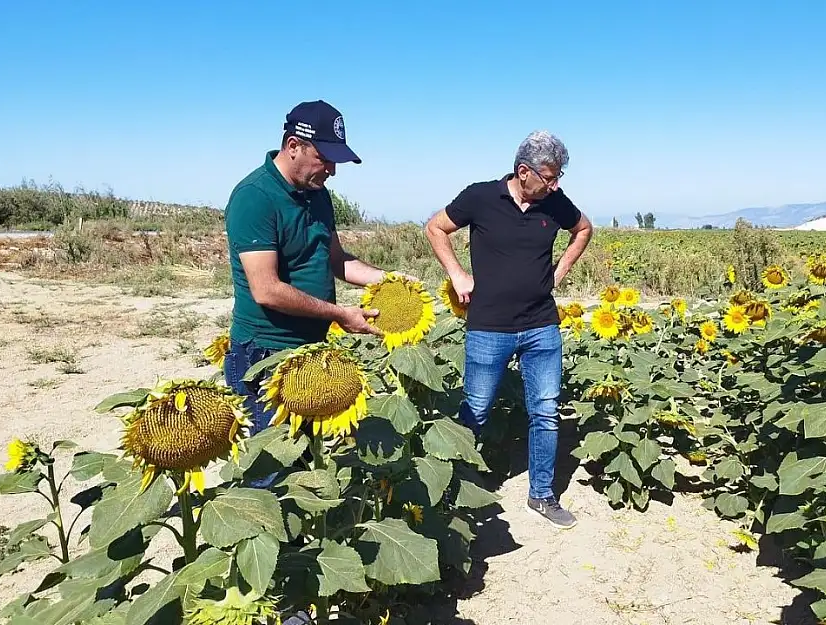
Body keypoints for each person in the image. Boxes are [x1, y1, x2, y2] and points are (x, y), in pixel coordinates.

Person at [424, 130, 594, 529]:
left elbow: (584, 229)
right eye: (549, 178)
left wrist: (561, 271)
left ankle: (543, 494)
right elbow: (435, 228)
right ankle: (456, 491)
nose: (554, 186)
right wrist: (457, 273)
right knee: (476, 410)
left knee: (546, 411)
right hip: (489, 327)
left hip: (541, 325)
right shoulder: (481, 197)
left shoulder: (555, 203)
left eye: (558, 179)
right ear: (523, 171)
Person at [222, 100, 400, 444]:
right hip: (265, 353)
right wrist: (340, 314)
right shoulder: (254, 197)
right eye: (325, 158)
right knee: (271, 465)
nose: (332, 169)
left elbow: (337, 260)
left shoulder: (317, 195)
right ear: (293, 147)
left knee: (308, 454)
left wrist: (389, 279)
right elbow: (266, 289)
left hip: (311, 347)